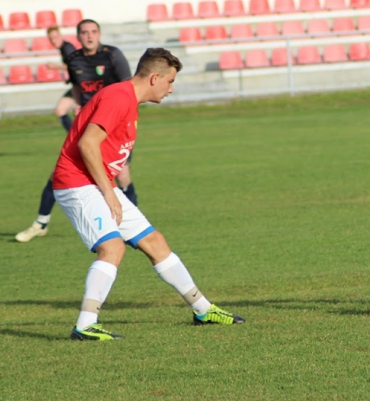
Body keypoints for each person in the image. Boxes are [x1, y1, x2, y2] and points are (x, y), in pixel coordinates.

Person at [53, 48, 244, 340]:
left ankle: (203, 309)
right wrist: (110, 193)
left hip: (97, 183)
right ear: (155, 77)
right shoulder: (118, 97)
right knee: (113, 248)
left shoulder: (128, 100)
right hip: (78, 184)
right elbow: (88, 144)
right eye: (170, 81)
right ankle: (85, 325)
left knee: (154, 242)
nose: (171, 89)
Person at [16, 19, 137, 242]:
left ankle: (131, 226)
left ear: (99, 34)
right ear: (78, 37)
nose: (89, 36)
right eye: (84, 33)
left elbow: (129, 89)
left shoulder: (113, 55)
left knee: (122, 176)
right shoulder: (73, 59)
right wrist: (80, 104)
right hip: (87, 126)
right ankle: (41, 223)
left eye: (93, 32)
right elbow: (76, 87)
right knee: (59, 174)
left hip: (113, 126)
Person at [46, 26, 78, 126]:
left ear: (60, 36)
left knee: (75, 111)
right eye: (51, 39)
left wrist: (56, 66)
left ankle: (76, 138)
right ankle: (75, 138)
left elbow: (76, 66)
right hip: (76, 85)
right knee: (61, 110)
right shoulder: (64, 48)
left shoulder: (67, 48)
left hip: (81, 86)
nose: (54, 41)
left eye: (55, 37)